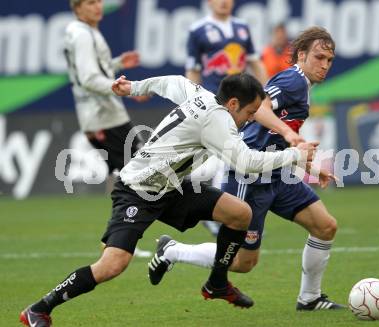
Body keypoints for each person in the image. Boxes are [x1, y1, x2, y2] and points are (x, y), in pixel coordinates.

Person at [19, 72, 320, 326]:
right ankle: (40, 308)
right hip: (139, 189)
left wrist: (133, 87)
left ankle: (216, 284)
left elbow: (170, 82)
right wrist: (295, 154)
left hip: (173, 186)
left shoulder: (198, 92)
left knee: (240, 213)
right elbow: (246, 163)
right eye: (250, 112)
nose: (252, 119)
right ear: (232, 104)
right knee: (112, 265)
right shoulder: (218, 122)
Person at [147, 26, 344, 311]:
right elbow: (260, 106)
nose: (324, 65)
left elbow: (273, 134)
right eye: (319, 57)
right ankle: (173, 251)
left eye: (329, 60)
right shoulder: (294, 80)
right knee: (242, 262)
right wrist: (289, 136)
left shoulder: (303, 87)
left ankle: (310, 298)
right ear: (301, 55)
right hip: (249, 177)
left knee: (325, 227)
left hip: (279, 175)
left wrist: (307, 163)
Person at [63, 0, 149, 257]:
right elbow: (89, 78)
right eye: (90, 2)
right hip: (104, 116)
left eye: (99, 1)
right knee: (137, 170)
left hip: (98, 116)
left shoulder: (80, 31)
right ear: (78, 8)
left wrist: (118, 63)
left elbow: (90, 71)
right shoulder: (82, 35)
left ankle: (114, 240)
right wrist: (124, 88)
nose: (97, 6)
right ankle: (117, 240)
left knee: (125, 173)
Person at [185, 0, 268, 236]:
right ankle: (218, 213)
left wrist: (266, 91)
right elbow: (193, 69)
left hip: (240, 105)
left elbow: (254, 61)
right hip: (215, 103)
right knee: (224, 159)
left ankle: (217, 214)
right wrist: (192, 101)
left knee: (224, 160)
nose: (224, 2)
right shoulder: (198, 30)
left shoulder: (242, 28)